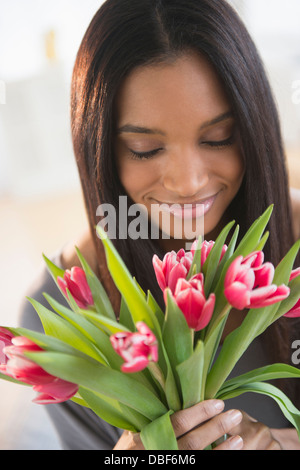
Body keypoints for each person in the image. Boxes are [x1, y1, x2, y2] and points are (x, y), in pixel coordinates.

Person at [19, 0, 300, 450]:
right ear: (101, 154)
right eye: (145, 148)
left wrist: (284, 443)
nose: (188, 183)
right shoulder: (61, 314)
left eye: (218, 138)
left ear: (255, 126)